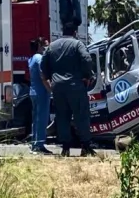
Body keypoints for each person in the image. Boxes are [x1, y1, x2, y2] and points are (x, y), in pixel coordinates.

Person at [40, 23, 96, 157]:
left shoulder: (52, 46)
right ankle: (86, 146)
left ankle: (65, 148)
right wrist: (88, 75)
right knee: (81, 116)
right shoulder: (77, 44)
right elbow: (87, 59)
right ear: (75, 32)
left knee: (62, 117)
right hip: (75, 86)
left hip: (58, 87)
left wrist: (49, 80)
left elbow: (43, 66)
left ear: (62, 32)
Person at [28, 37, 53, 155]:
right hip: (41, 93)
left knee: (35, 119)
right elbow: (43, 77)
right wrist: (50, 89)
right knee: (42, 119)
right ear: (39, 46)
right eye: (45, 46)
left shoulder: (31, 59)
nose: (46, 49)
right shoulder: (40, 59)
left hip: (33, 91)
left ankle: (34, 143)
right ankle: (39, 144)